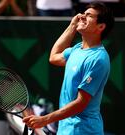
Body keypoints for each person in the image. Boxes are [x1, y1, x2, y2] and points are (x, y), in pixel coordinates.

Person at [23, 2, 114, 135]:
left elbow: (81, 103)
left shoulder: (98, 59)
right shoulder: (77, 49)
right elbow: (53, 57)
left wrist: (45, 119)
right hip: (65, 129)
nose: (82, 16)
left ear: (100, 26)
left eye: (88, 15)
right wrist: (72, 26)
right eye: (83, 13)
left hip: (84, 130)